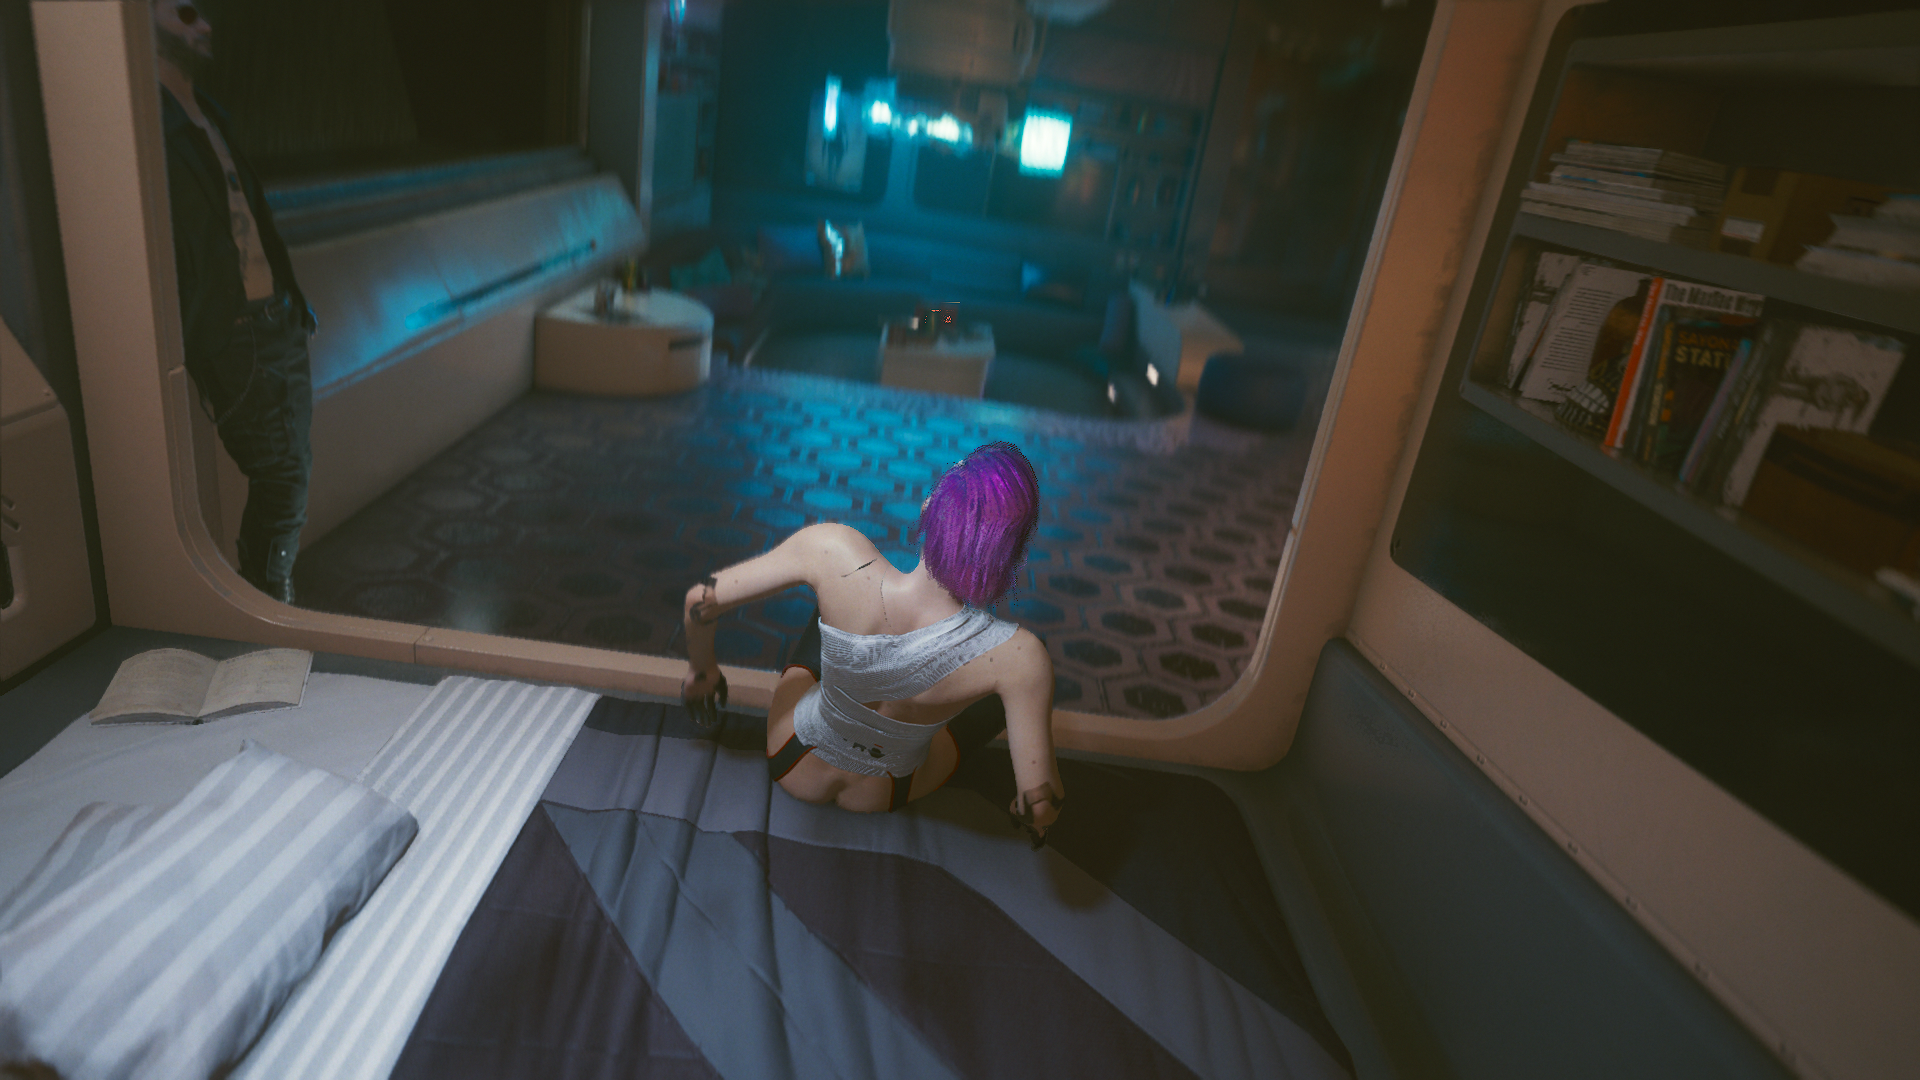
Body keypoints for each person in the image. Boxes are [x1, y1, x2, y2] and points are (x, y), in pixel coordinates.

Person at [681, 442, 1065, 842]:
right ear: (1010, 557)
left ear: (928, 507)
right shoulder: (1020, 657)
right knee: (1006, 691)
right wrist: (1031, 817)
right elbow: (1041, 804)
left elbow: (699, 601)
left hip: (794, 761)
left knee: (832, 608)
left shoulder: (833, 552)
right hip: (884, 791)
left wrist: (702, 674)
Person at [152, 0, 317, 603]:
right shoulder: (149, 125)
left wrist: (291, 303)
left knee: (290, 470)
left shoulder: (208, 113)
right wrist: (210, 330)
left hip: (276, 318)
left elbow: (249, 217)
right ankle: (269, 602)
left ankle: (267, 599)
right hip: (236, 330)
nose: (204, 25)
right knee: (282, 476)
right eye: (185, 12)